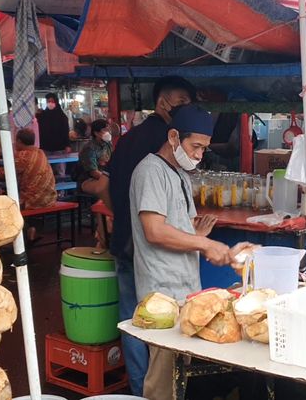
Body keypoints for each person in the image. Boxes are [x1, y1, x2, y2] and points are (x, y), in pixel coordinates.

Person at [129, 104, 248, 400]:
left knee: (182, 373)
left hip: (186, 288)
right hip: (161, 292)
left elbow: (180, 227)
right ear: (173, 137)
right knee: (163, 377)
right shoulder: (150, 171)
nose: (199, 154)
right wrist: (205, 244)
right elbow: (154, 231)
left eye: (204, 149)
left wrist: (199, 238)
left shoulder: (181, 174)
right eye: (195, 146)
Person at [102, 76, 195, 395]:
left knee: (133, 321)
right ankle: (154, 391)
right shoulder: (167, 144)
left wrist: (122, 218)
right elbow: (156, 225)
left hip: (124, 241)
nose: (185, 110)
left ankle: (139, 389)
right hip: (147, 250)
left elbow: (107, 187)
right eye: (181, 103)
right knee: (158, 324)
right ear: (163, 102)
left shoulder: (128, 139)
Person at [0, 128, 57, 210]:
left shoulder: (23, 155)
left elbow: (6, 174)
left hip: (33, 201)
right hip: (49, 199)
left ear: (19, 141)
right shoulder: (40, 153)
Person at [37, 93, 71, 175]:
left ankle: (61, 183)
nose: (50, 103)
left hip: (59, 148)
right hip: (45, 147)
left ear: (56, 102)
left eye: (52, 101)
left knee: (60, 170)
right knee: (46, 170)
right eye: (48, 101)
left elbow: (65, 131)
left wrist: (67, 145)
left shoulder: (62, 117)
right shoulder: (42, 115)